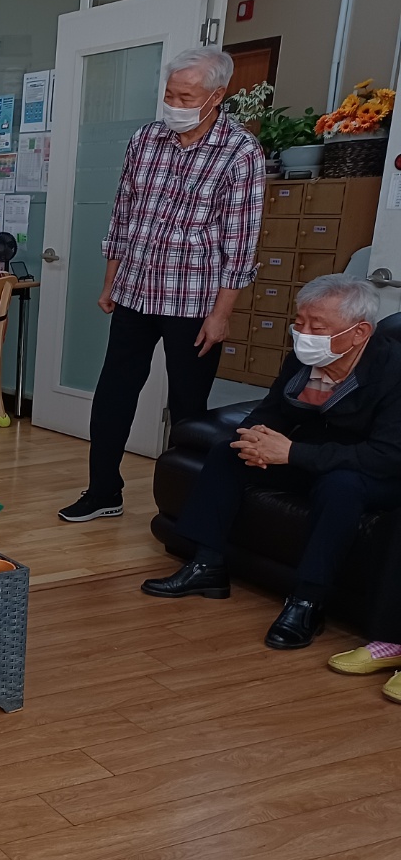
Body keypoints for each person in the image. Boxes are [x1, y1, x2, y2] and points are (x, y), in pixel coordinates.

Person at [59, 46, 266, 524]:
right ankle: (103, 490)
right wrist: (110, 281)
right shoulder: (146, 139)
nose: (174, 104)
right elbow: (124, 213)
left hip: (195, 301)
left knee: (188, 407)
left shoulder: (240, 152)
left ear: (217, 95)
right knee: (113, 393)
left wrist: (222, 314)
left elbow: (240, 242)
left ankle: (183, 506)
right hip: (136, 289)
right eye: (170, 94)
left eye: (186, 97)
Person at [141, 275, 401, 649]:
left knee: (340, 486)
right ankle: (207, 565)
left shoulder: (393, 371)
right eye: (299, 322)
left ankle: (307, 601)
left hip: (371, 469)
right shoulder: (304, 358)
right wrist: (253, 438)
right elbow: (273, 409)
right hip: (311, 453)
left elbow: (386, 455)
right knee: (228, 452)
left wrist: (291, 453)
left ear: (359, 333)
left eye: (317, 327)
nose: (303, 334)